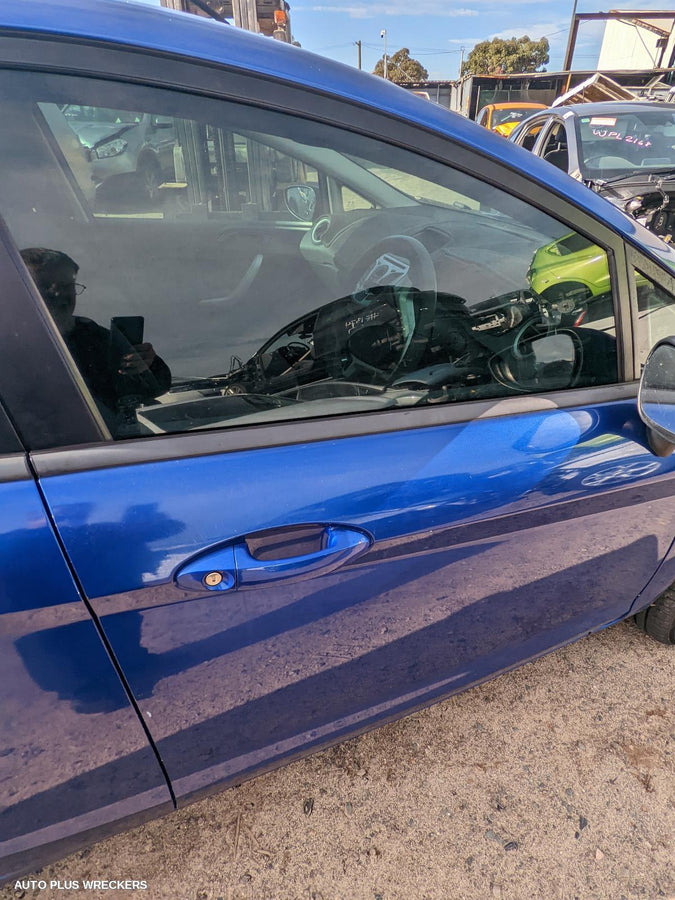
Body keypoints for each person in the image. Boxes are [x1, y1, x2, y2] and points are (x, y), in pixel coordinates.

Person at [20, 248, 171, 425]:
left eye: (67, 286)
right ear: (18, 291)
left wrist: (145, 366)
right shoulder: (9, 346)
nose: (60, 294)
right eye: (46, 286)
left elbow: (152, 389)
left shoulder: (89, 334)